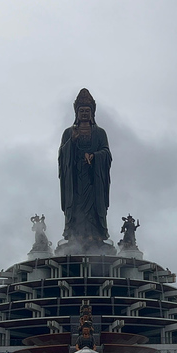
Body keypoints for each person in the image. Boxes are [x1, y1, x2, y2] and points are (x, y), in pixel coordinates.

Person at [58, 89, 112, 248]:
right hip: (75, 179)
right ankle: (75, 235)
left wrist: (95, 156)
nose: (84, 114)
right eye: (81, 111)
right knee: (75, 205)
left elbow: (106, 152)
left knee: (94, 206)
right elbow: (62, 155)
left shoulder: (100, 133)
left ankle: (95, 235)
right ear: (76, 112)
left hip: (93, 179)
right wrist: (72, 142)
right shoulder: (69, 132)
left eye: (87, 111)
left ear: (92, 113)